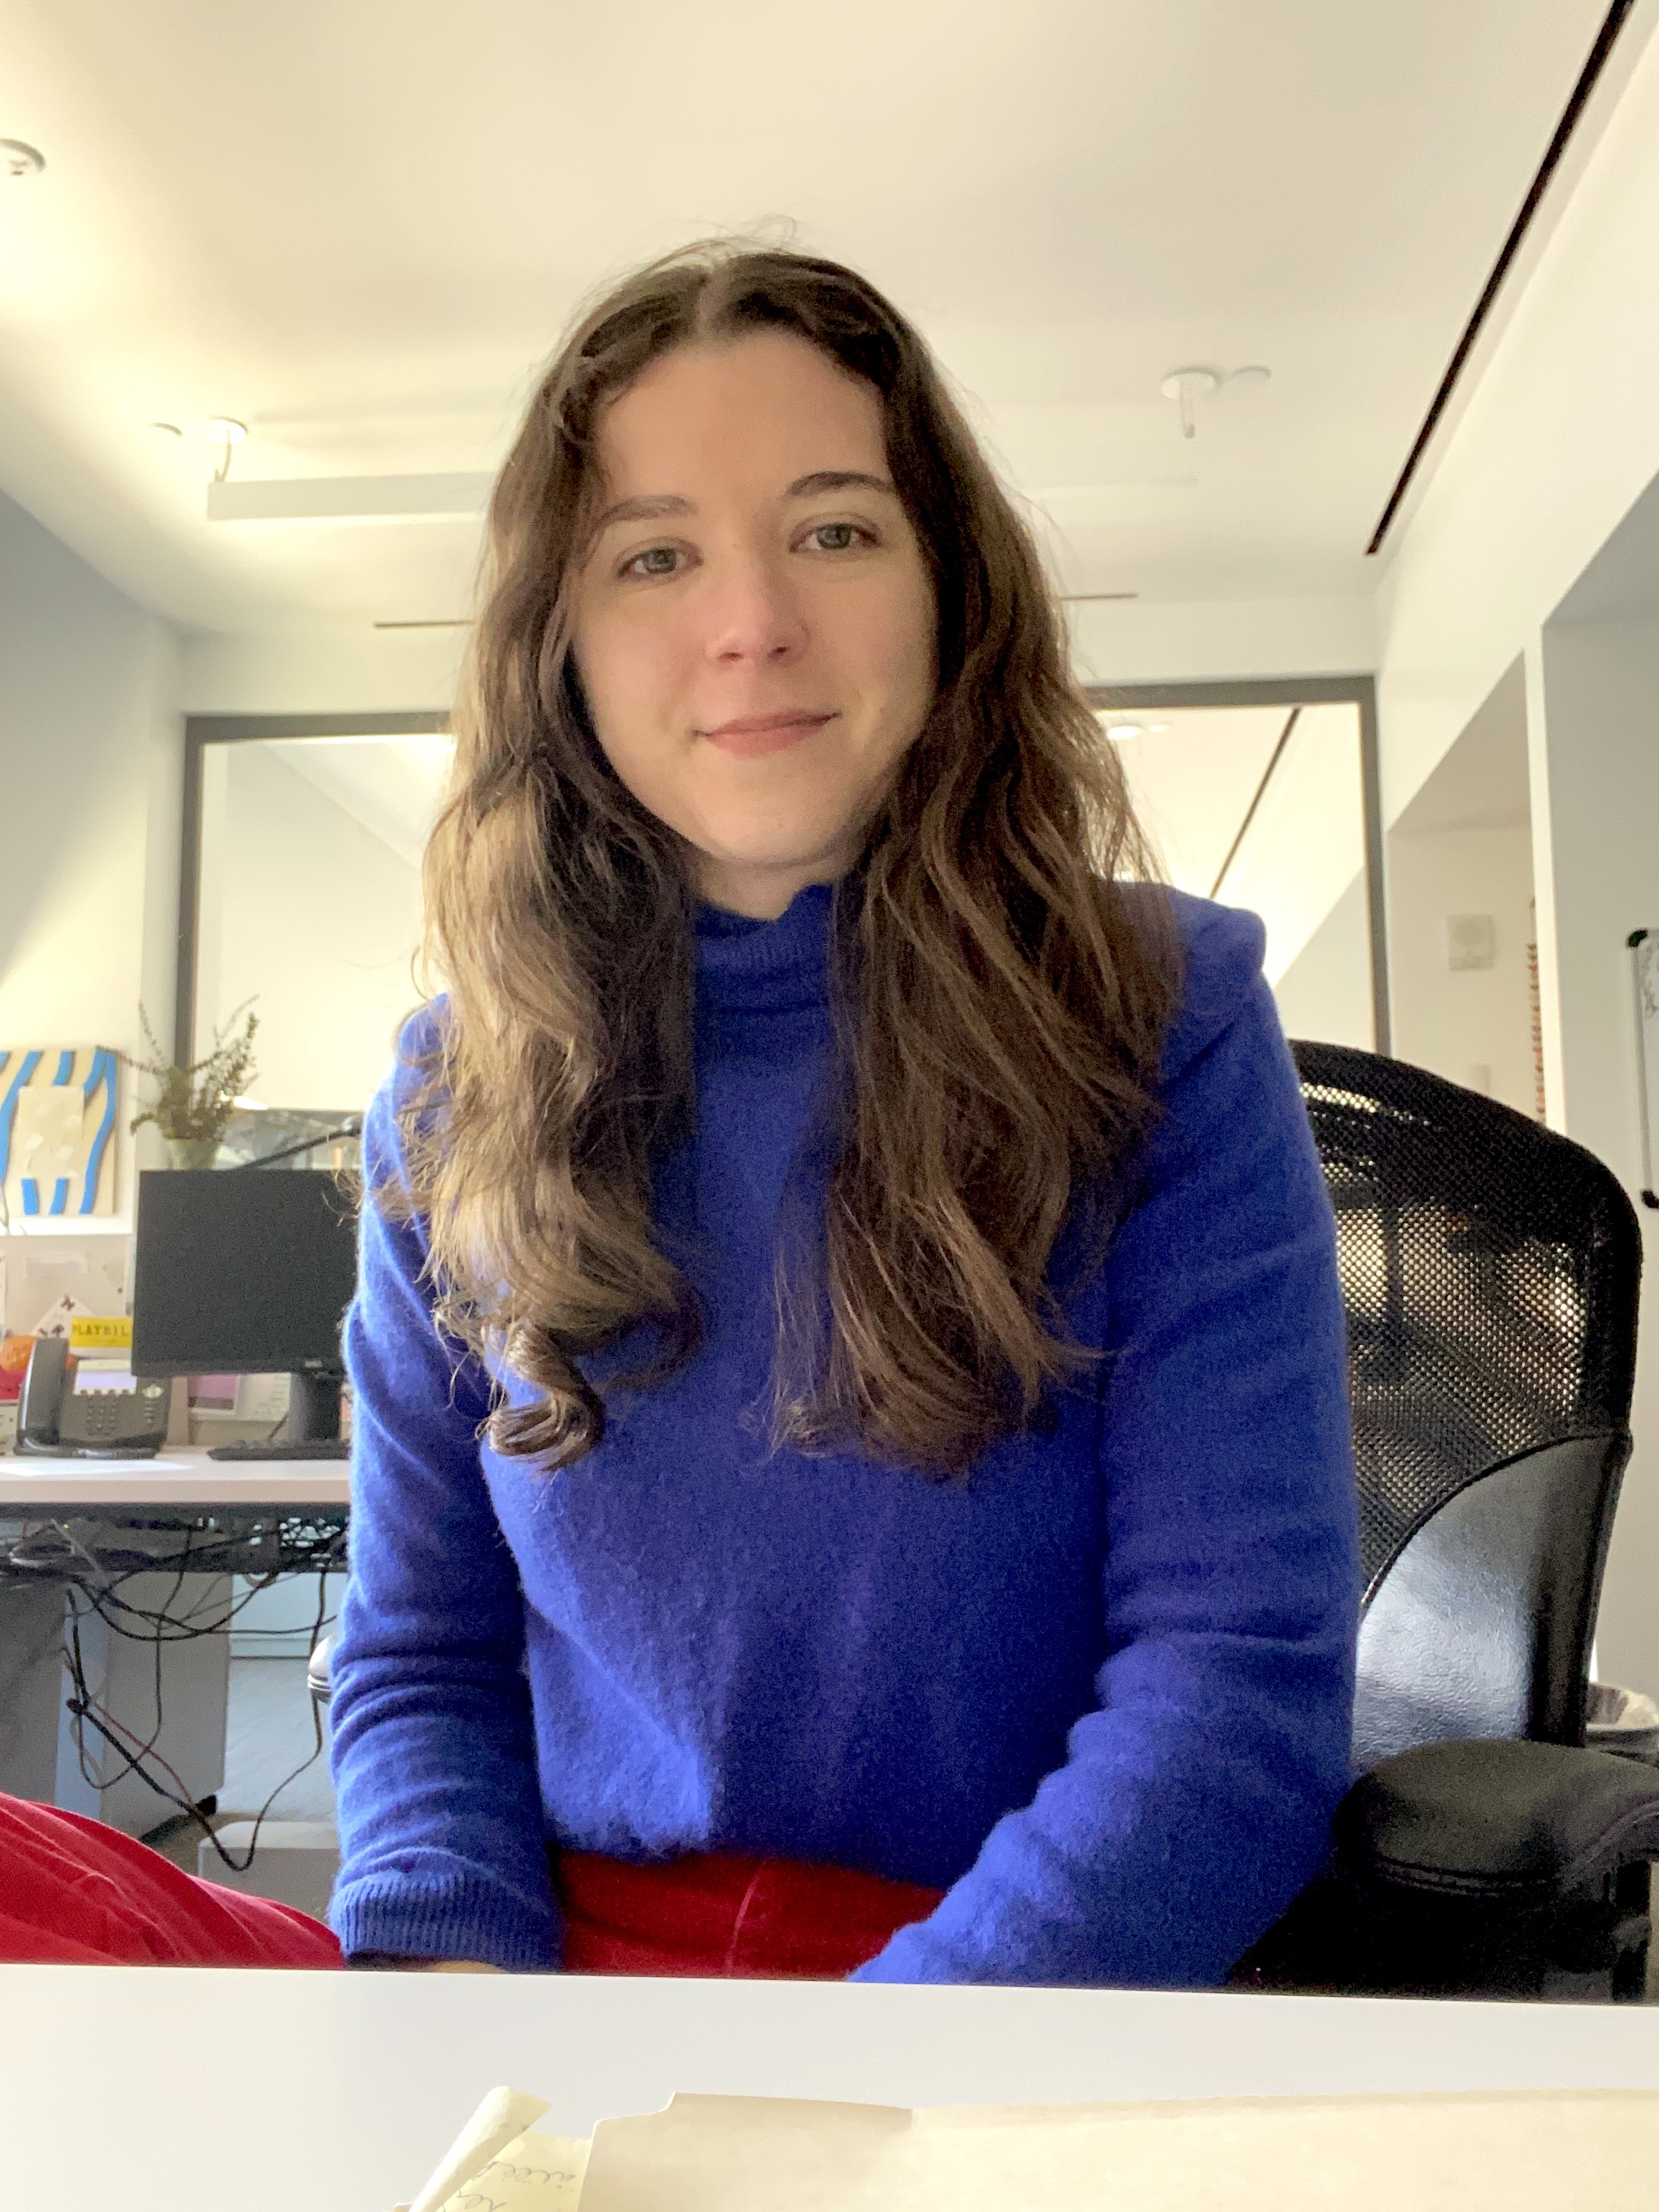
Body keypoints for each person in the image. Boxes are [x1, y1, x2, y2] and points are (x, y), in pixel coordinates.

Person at [0, 240, 1357, 1979]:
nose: (752, 622)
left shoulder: (1164, 1016)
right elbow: (423, 1659)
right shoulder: (452, 1087)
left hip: (1009, 1982)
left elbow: (1232, 1691)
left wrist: (845, 2099)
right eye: (655, 554)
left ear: (951, 586)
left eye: (837, 529)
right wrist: (459, 2018)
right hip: (561, 1979)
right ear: (561, 640)